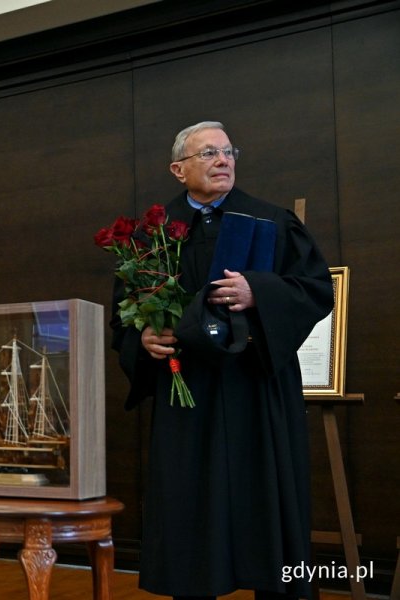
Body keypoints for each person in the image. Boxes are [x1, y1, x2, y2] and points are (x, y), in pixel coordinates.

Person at [111, 121, 333, 599]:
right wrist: (144, 336)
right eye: (209, 153)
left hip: (257, 388)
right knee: (193, 511)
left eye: (229, 151)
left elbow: (315, 290)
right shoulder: (153, 234)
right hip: (188, 394)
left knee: (267, 508)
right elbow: (123, 316)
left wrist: (260, 292)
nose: (223, 160)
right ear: (178, 169)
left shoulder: (271, 221)